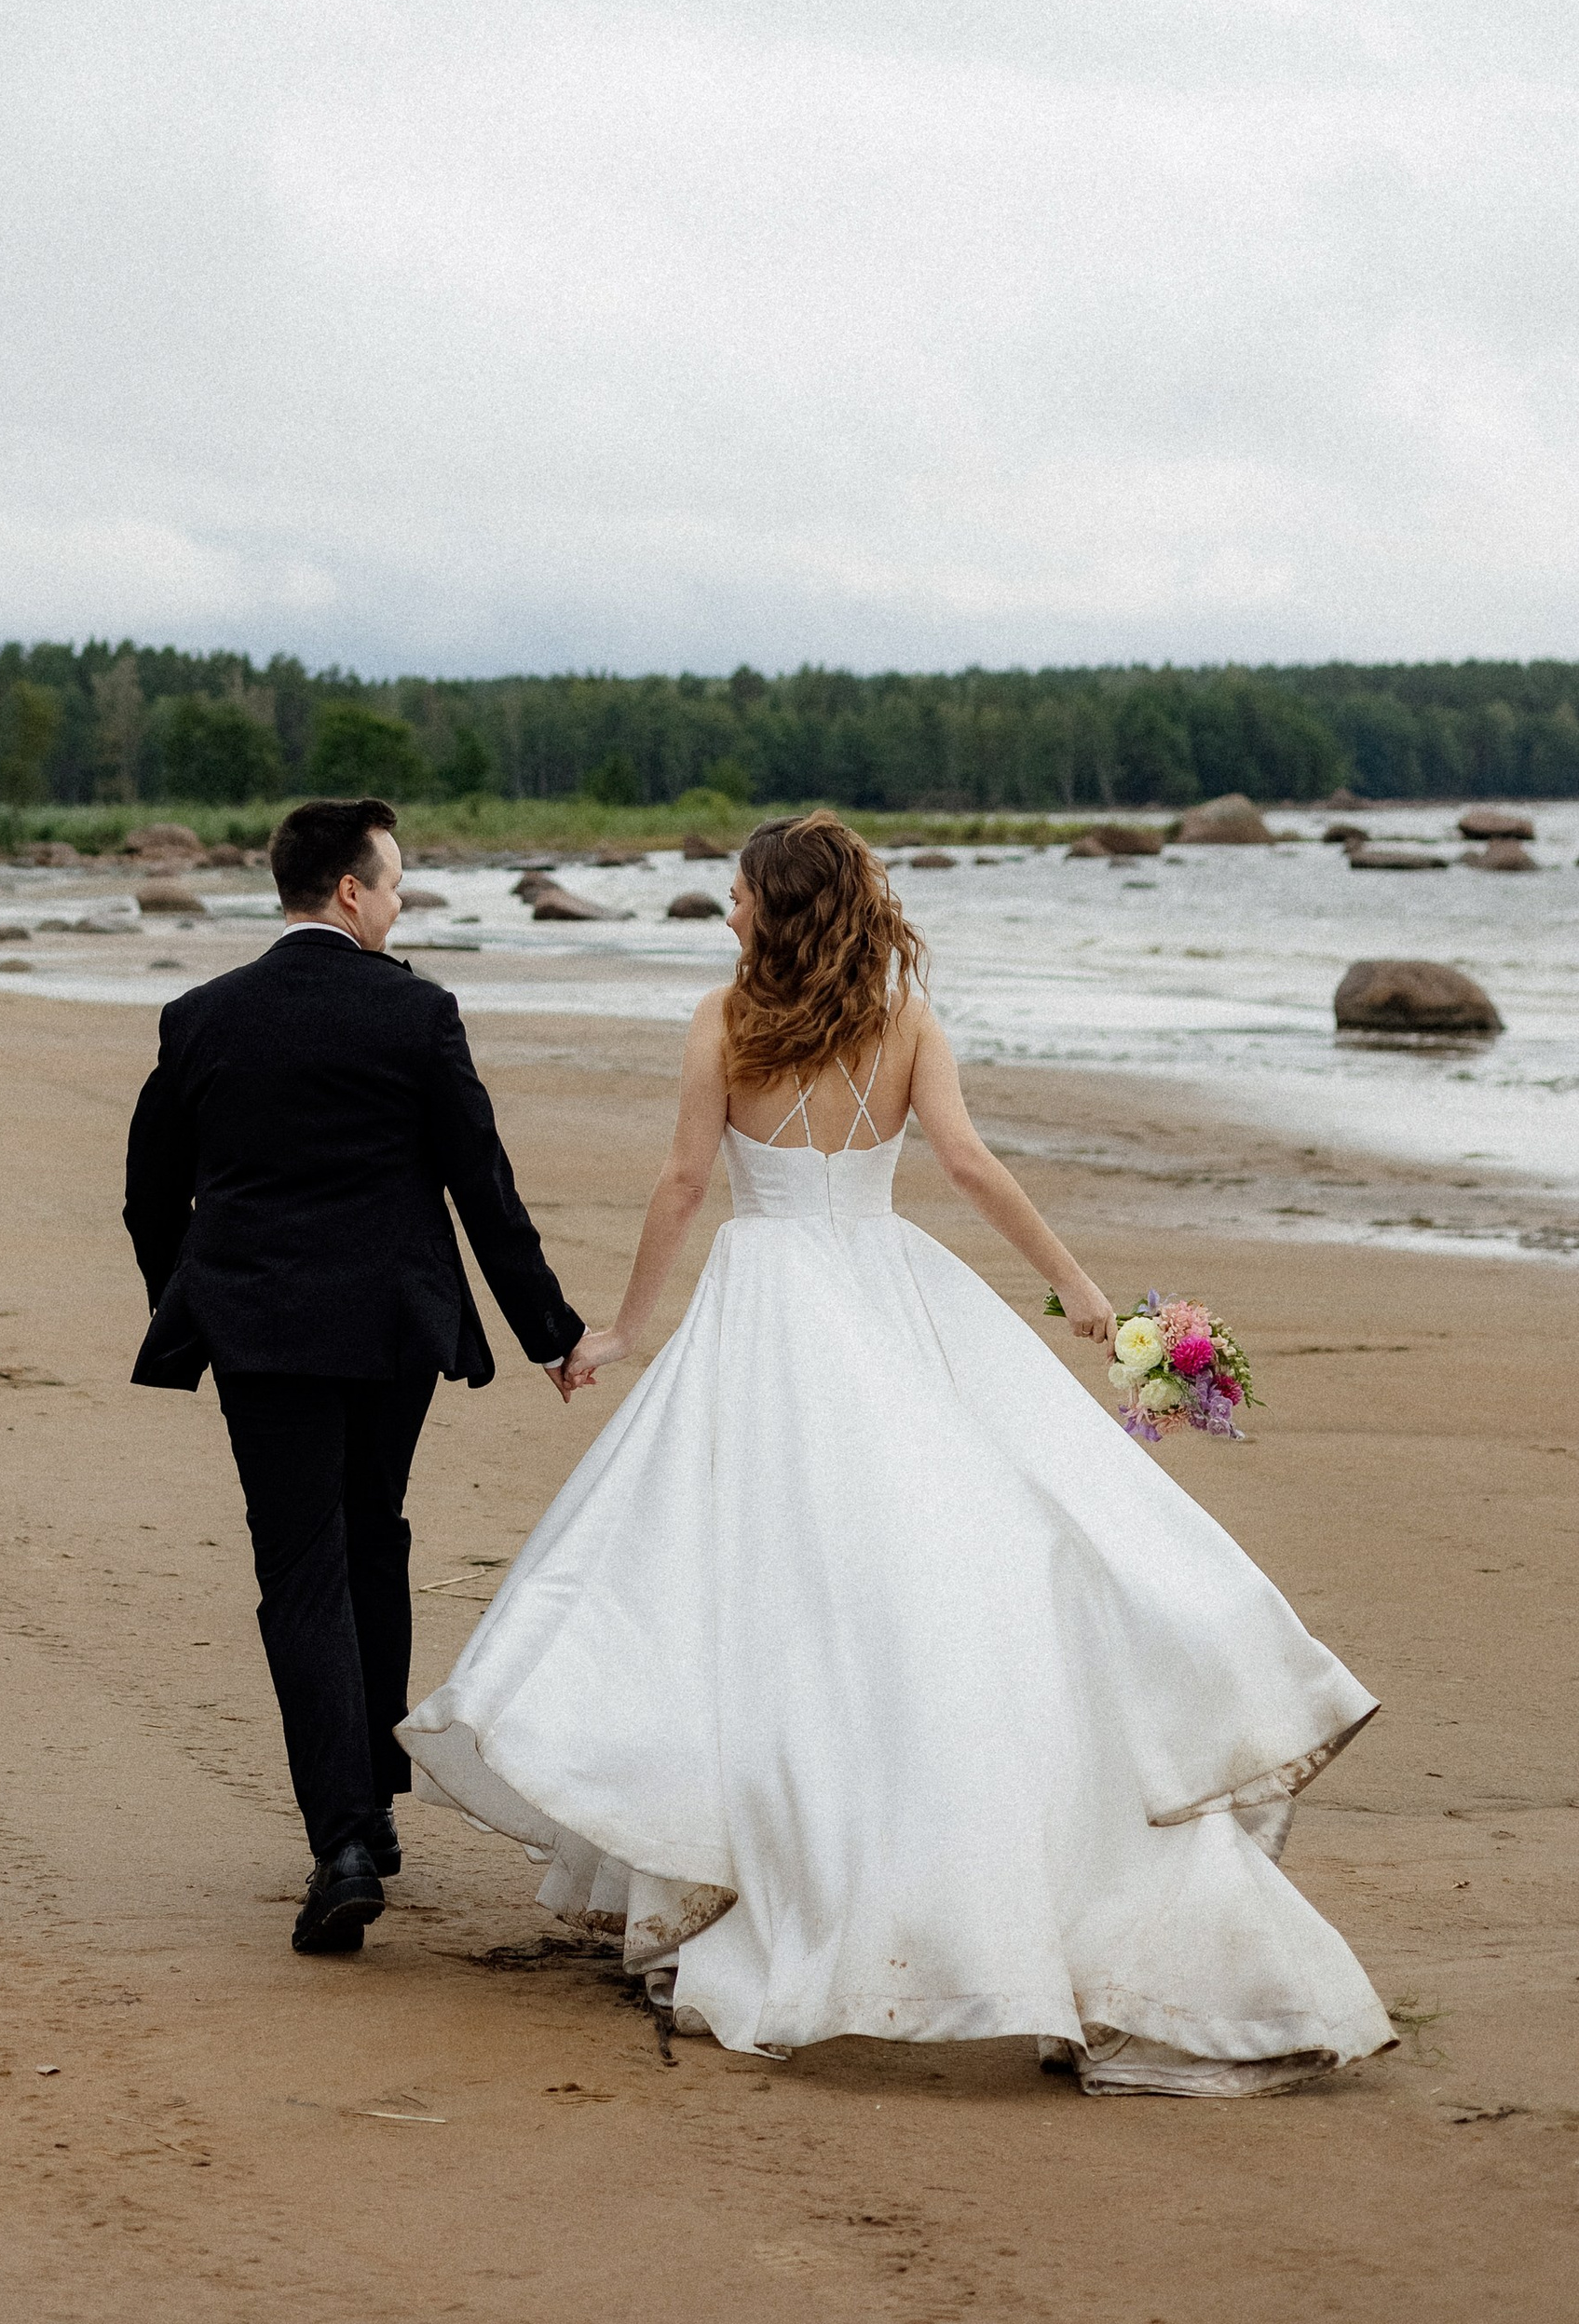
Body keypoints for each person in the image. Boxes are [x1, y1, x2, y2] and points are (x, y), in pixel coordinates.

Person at [401, 810, 1394, 2096]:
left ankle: (757, 1862)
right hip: (888, 1288)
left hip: (765, 1307)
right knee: (947, 1554)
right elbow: (971, 1167)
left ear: (778, 904)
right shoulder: (904, 1022)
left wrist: (626, 1333)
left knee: (732, 1584)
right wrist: (1079, 1288)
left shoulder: (722, 1022)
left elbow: (684, 1187)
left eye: (743, 891)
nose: (730, 909)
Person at [125, 795, 584, 1958]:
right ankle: (370, 1812)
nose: (398, 901)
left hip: (263, 1335)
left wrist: (198, 1302)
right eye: (394, 884)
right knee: (373, 1531)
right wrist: (548, 1330)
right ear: (349, 892)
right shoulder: (417, 1014)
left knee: (304, 1568)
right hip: (391, 1329)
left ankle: (344, 1831)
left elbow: (148, 1194)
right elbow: (482, 1184)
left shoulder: (201, 1017)